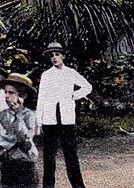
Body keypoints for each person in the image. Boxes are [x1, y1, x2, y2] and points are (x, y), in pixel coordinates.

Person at [36, 42, 92, 188]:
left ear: (63, 56)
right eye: (51, 55)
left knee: (71, 155)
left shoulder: (71, 73)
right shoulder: (46, 75)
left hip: (66, 118)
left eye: (57, 55)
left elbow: (87, 87)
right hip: (49, 118)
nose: (54, 58)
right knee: (49, 156)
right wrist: (39, 120)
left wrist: (74, 95)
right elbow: (41, 98)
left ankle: (78, 186)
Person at [0, 72, 38, 188]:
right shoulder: (0, 116)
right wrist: (14, 142)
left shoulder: (30, 115)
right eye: (5, 92)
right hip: (8, 162)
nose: (6, 96)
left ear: (22, 96)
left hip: (26, 162)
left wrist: (19, 115)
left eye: (11, 93)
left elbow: (26, 139)